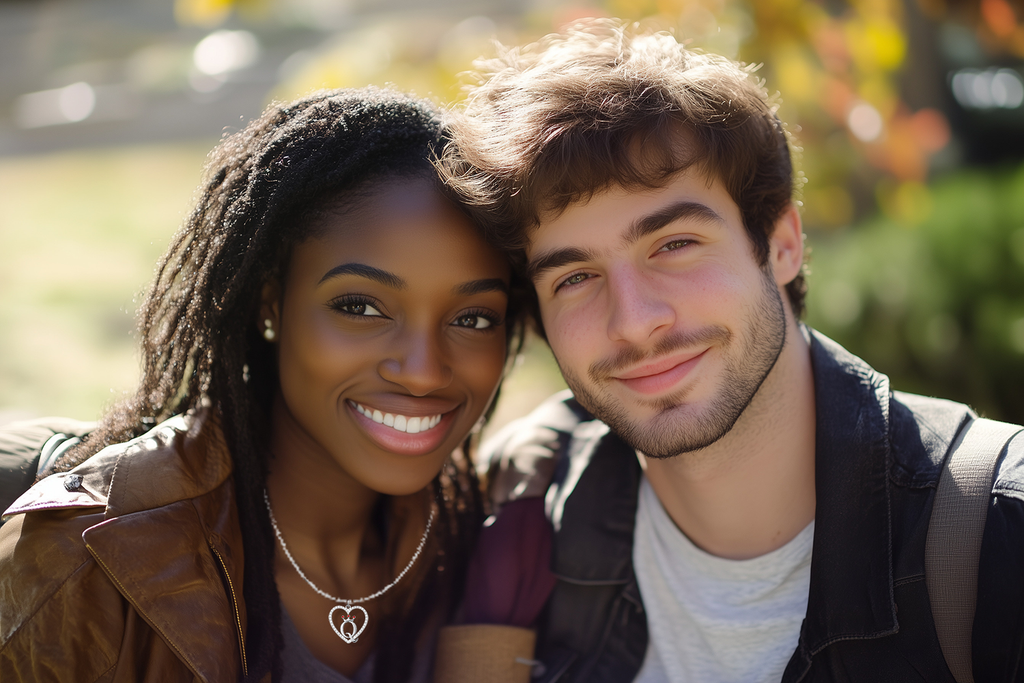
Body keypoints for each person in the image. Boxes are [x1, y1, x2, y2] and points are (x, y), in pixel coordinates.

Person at [436, 19, 1024, 683]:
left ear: (781, 244)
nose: (633, 322)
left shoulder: (999, 529)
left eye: (674, 244)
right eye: (574, 277)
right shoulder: (517, 507)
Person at [0, 86, 526, 683]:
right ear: (270, 301)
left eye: (474, 318)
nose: (426, 370)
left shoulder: (485, 537)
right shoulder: (86, 556)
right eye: (361, 306)